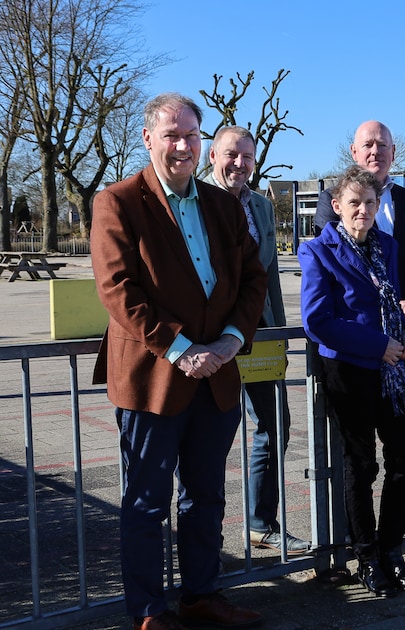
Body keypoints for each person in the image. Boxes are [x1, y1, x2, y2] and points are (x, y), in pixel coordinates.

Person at [90, 92, 267, 630]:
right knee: (146, 503)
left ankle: (201, 595)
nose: (184, 145)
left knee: (206, 497)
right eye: (172, 135)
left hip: (216, 377)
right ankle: (148, 611)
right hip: (154, 381)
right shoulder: (118, 201)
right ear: (148, 139)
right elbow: (118, 289)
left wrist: (233, 339)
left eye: (192, 135)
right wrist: (182, 349)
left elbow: (253, 279)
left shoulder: (223, 205)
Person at [299, 165, 405, 598]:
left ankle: (392, 550)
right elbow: (318, 321)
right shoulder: (318, 250)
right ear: (336, 206)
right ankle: (367, 557)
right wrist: (378, 345)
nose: (363, 211)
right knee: (362, 467)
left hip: (392, 370)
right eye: (354, 203)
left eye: (370, 203)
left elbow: (394, 299)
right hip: (350, 370)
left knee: (404, 465)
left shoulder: (386, 245)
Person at [314, 120, 405, 532]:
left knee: (402, 446)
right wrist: (379, 333)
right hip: (354, 352)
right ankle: (359, 538)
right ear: (353, 151)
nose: (375, 151)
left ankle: (402, 518)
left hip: (400, 346)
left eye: (382, 145)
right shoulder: (328, 204)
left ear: (393, 152)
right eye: (368, 144)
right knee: (360, 458)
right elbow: (337, 278)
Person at [202, 126, 310, 553]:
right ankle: (204, 539)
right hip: (211, 344)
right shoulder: (195, 202)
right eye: (232, 155)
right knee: (209, 437)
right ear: (212, 156)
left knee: (273, 426)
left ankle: (260, 524)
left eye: (247, 157)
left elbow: (269, 279)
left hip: (260, 337)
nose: (240, 164)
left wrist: (279, 333)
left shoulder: (262, 207)